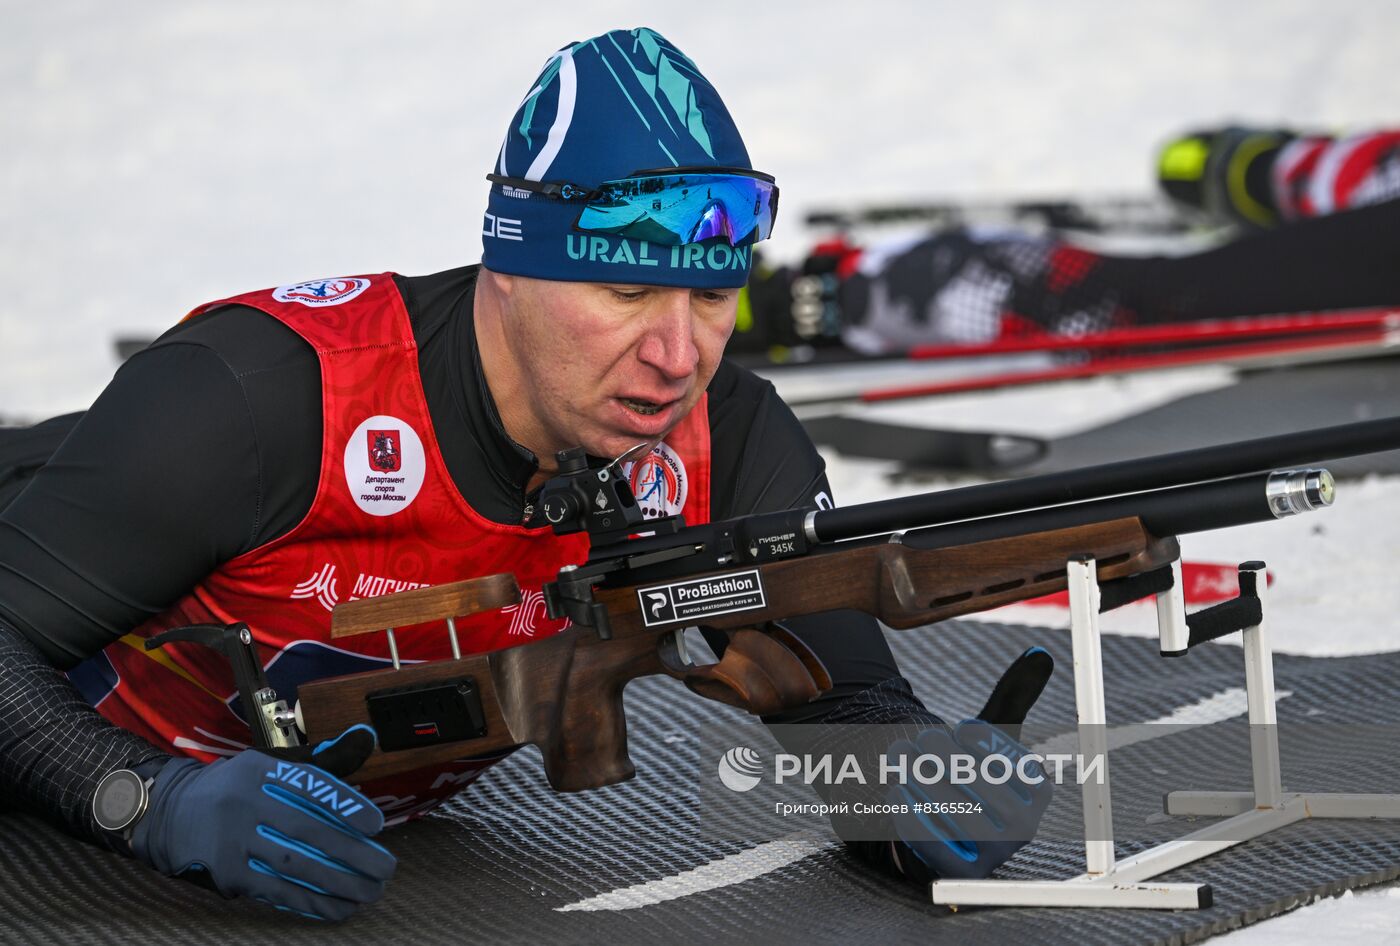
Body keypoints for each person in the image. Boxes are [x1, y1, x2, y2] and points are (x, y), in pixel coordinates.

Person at [0, 28, 1049, 921]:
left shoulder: (727, 438)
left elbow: (845, 705)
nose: (677, 358)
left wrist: (921, 790)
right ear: (511, 265)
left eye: (710, 300)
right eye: (625, 294)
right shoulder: (255, 399)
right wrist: (141, 800)